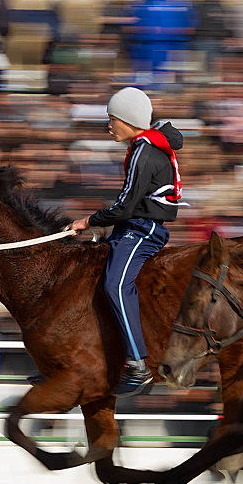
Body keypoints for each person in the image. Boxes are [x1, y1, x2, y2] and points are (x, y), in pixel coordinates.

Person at [70, 87, 185, 397]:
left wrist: (88, 221)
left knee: (115, 286)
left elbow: (125, 205)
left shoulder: (142, 151)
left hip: (142, 229)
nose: (109, 126)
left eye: (112, 119)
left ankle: (137, 365)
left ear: (128, 120)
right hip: (133, 225)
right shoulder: (145, 146)